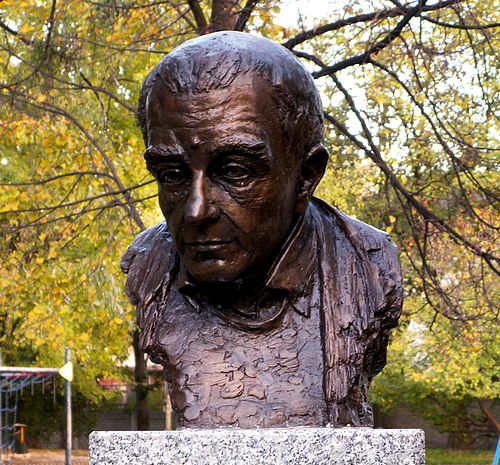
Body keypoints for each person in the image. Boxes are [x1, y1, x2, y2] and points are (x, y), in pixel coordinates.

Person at [121, 31, 403, 428]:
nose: (196, 211)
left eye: (235, 171)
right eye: (173, 174)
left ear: (306, 175)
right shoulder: (148, 268)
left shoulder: (369, 267)